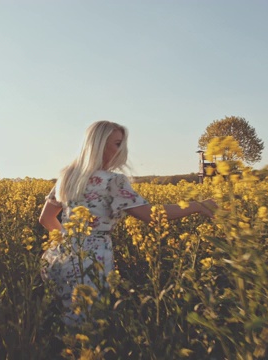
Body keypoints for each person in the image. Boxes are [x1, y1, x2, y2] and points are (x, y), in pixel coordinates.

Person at [39, 120, 216, 325]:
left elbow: (46, 218)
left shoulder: (67, 177)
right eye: (117, 143)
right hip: (91, 261)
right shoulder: (113, 181)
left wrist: (69, 241)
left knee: (68, 321)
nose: (122, 149)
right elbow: (151, 215)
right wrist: (198, 206)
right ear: (100, 144)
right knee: (90, 325)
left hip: (59, 258)